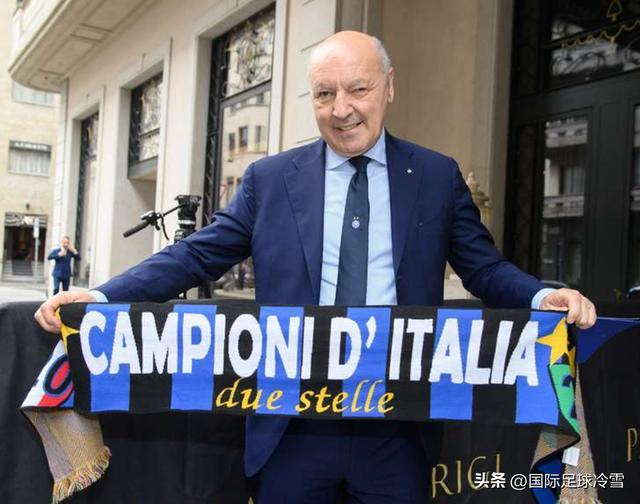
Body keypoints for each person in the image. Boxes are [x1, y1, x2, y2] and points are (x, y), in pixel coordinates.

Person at [36, 31, 596, 503]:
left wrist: (539, 298)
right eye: (325, 94)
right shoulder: (270, 180)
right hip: (291, 426)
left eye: (358, 89)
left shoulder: (434, 176)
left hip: (398, 427)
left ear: (389, 87)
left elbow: (484, 269)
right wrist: (101, 299)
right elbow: (195, 254)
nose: (341, 108)